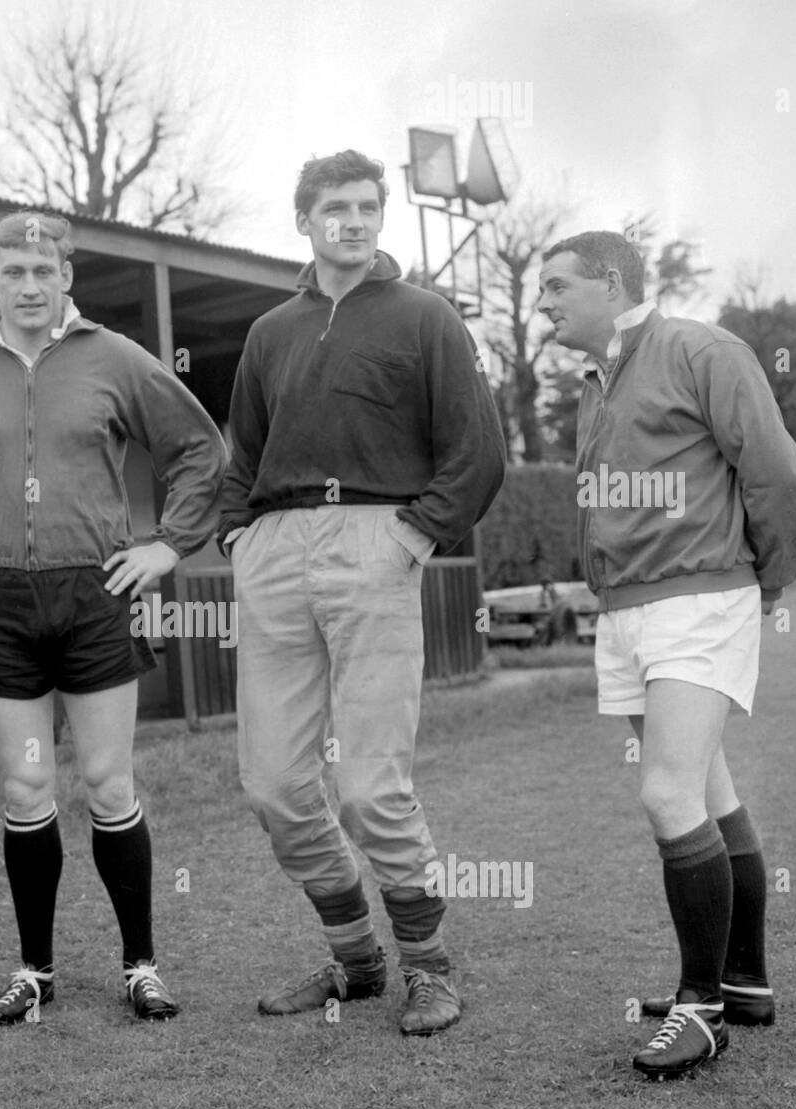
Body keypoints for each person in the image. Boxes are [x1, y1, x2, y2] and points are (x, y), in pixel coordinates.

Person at [0, 212, 226, 1024]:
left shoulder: (113, 358)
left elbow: (198, 449)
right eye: (15, 270)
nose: (30, 285)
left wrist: (168, 547)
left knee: (108, 782)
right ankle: (35, 971)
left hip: (95, 596)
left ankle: (140, 965)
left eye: (45, 269)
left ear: (68, 276)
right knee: (28, 784)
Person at [219, 150, 506, 1035]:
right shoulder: (270, 331)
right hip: (276, 549)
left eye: (368, 206)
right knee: (273, 784)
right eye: (335, 207)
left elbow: (478, 452)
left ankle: (429, 969)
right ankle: (357, 962)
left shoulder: (425, 317)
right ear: (303, 219)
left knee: (371, 786)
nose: (354, 220)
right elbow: (242, 455)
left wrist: (415, 533)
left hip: (376, 540)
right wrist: (240, 537)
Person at [537, 230, 796, 1079]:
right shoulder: (597, 381)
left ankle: (701, 1011)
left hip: (699, 601)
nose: (543, 303)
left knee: (666, 795)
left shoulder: (703, 349)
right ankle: (744, 982)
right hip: (624, 614)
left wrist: (764, 584)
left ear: (610, 282)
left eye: (556, 286)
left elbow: (780, 478)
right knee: (703, 788)